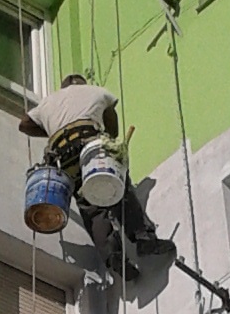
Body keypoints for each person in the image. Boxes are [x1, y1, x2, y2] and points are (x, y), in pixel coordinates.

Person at [20, 73, 174, 271]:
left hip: (64, 159)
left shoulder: (47, 103)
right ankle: (143, 238)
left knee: (90, 208)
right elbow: (113, 128)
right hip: (89, 148)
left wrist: (51, 131)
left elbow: (24, 124)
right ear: (82, 84)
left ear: (64, 86)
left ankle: (113, 257)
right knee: (118, 187)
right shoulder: (97, 92)